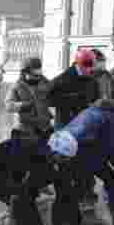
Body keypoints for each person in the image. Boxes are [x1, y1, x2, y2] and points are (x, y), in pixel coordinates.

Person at [51, 98, 114, 225]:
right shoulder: (109, 118)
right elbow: (112, 149)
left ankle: (57, 223)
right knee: (110, 181)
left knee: (69, 187)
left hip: (61, 147)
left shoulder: (88, 112)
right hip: (84, 151)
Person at [46, 48, 100, 206]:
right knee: (65, 169)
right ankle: (63, 205)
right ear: (77, 63)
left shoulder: (92, 81)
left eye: (91, 64)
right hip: (66, 129)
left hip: (85, 129)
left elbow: (95, 101)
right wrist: (71, 99)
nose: (89, 67)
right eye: (86, 64)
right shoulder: (63, 79)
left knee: (84, 165)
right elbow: (48, 99)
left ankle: (85, 194)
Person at [4, 56, 53, 141]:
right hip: (25, 130)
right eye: (34, 73)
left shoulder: (46, 83)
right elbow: (8, 105)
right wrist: (23, 105)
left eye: (39, 72)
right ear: (24, 72)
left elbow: (54, 98)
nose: (37, 76)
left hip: (44, 129)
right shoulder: (17, 86)